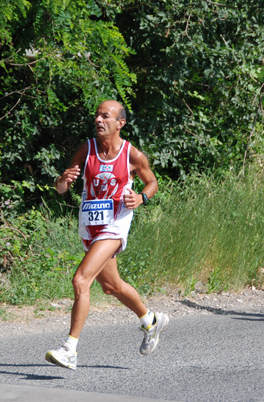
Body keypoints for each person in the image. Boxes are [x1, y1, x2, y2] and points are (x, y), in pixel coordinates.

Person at [45, 100, 169, 369]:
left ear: (120, 123)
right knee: (111, 286)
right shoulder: (86, 149)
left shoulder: (132, 155)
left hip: (115, 224)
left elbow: (152, 183)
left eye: (106, 116)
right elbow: (61, 189)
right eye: (97, 116)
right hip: (90, 225)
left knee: (81, 280)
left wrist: (141, 199)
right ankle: (151, 321)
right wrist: (63, 180)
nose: (99, 120)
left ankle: (70, 349)